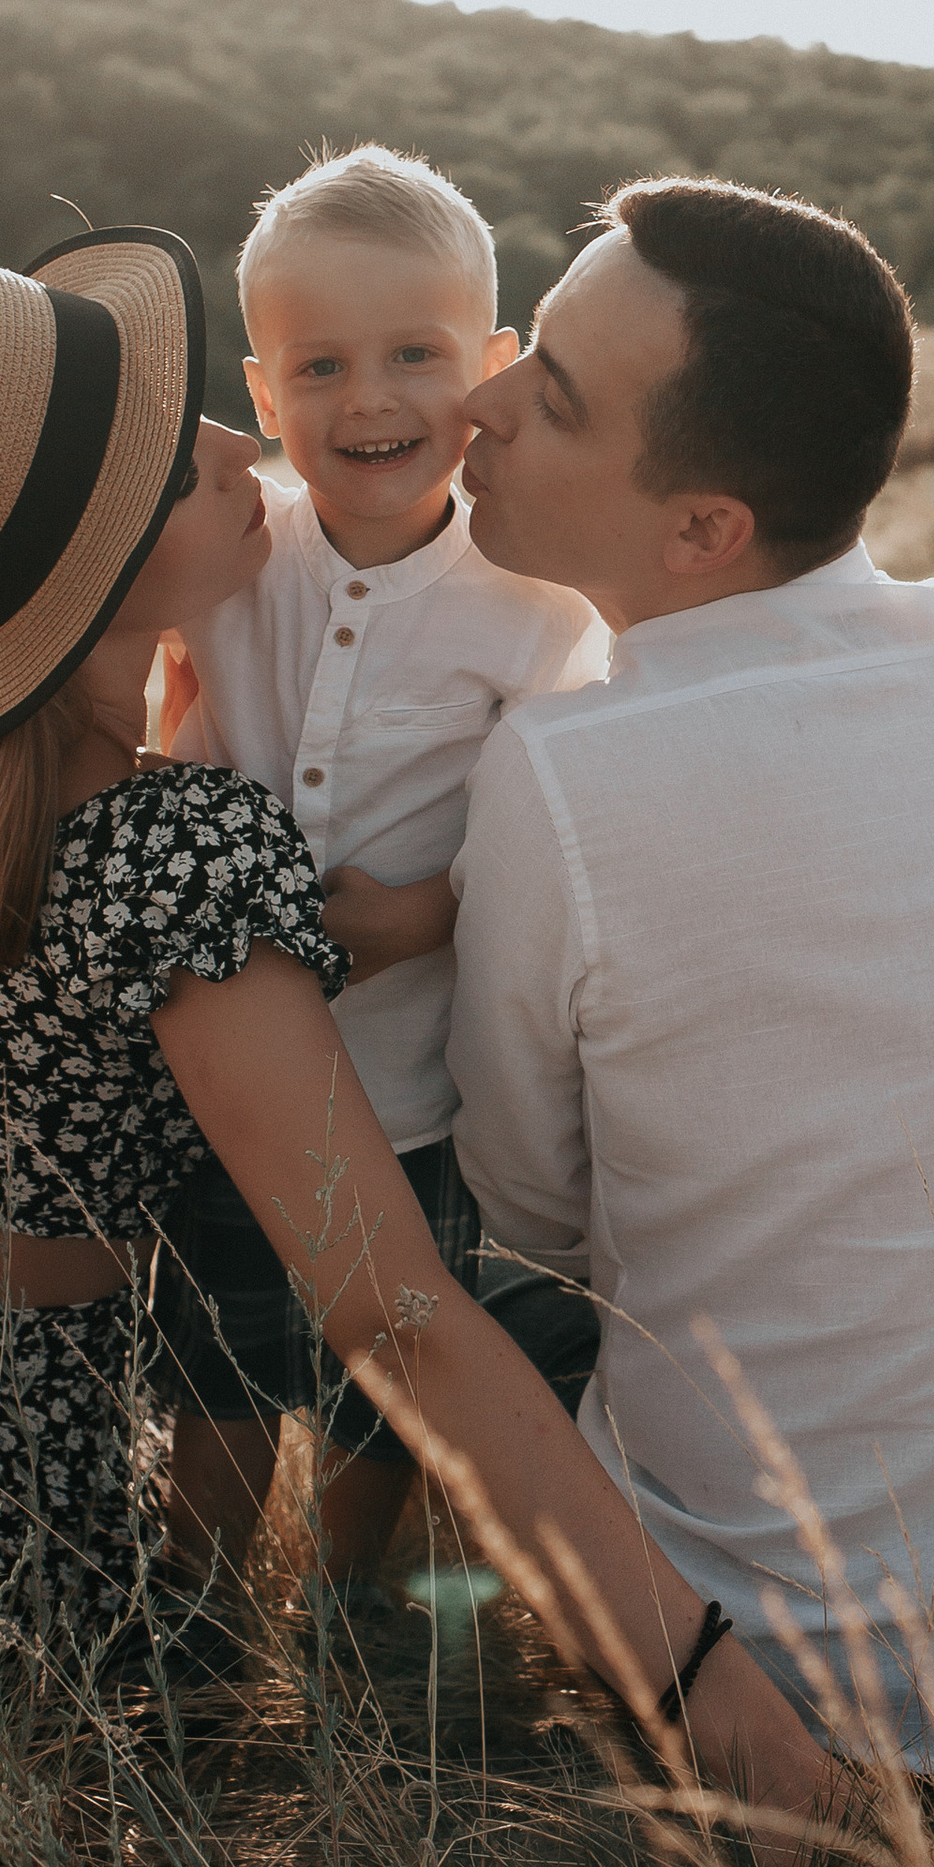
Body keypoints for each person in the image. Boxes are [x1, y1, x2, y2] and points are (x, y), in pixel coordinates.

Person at [0, 224, 828, 1813]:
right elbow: (396, 1316)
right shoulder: (178, 855)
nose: (238, 443)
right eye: (170, 454)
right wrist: (719, 1702)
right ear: (93, 569)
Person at [448, 177, 934, 1770]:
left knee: (473, 1318)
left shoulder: (557, 772)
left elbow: (539, 1222)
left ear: (702, 529)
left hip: (781, 1650)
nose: (480, 403)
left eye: (548, 397)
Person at [152, 146, 606, 1581]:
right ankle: (202, 1622)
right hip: (230, 1080)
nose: (372, 400)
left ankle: (357, 1621)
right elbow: (176, 724)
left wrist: (432, 911)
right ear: (265, 390)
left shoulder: (532, 603)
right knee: (215, 1371)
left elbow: (567, 825)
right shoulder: (239, 560)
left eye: (415, 354)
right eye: (323, 365)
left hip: (421, 1090)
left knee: (389, 1393)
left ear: (489, 364)